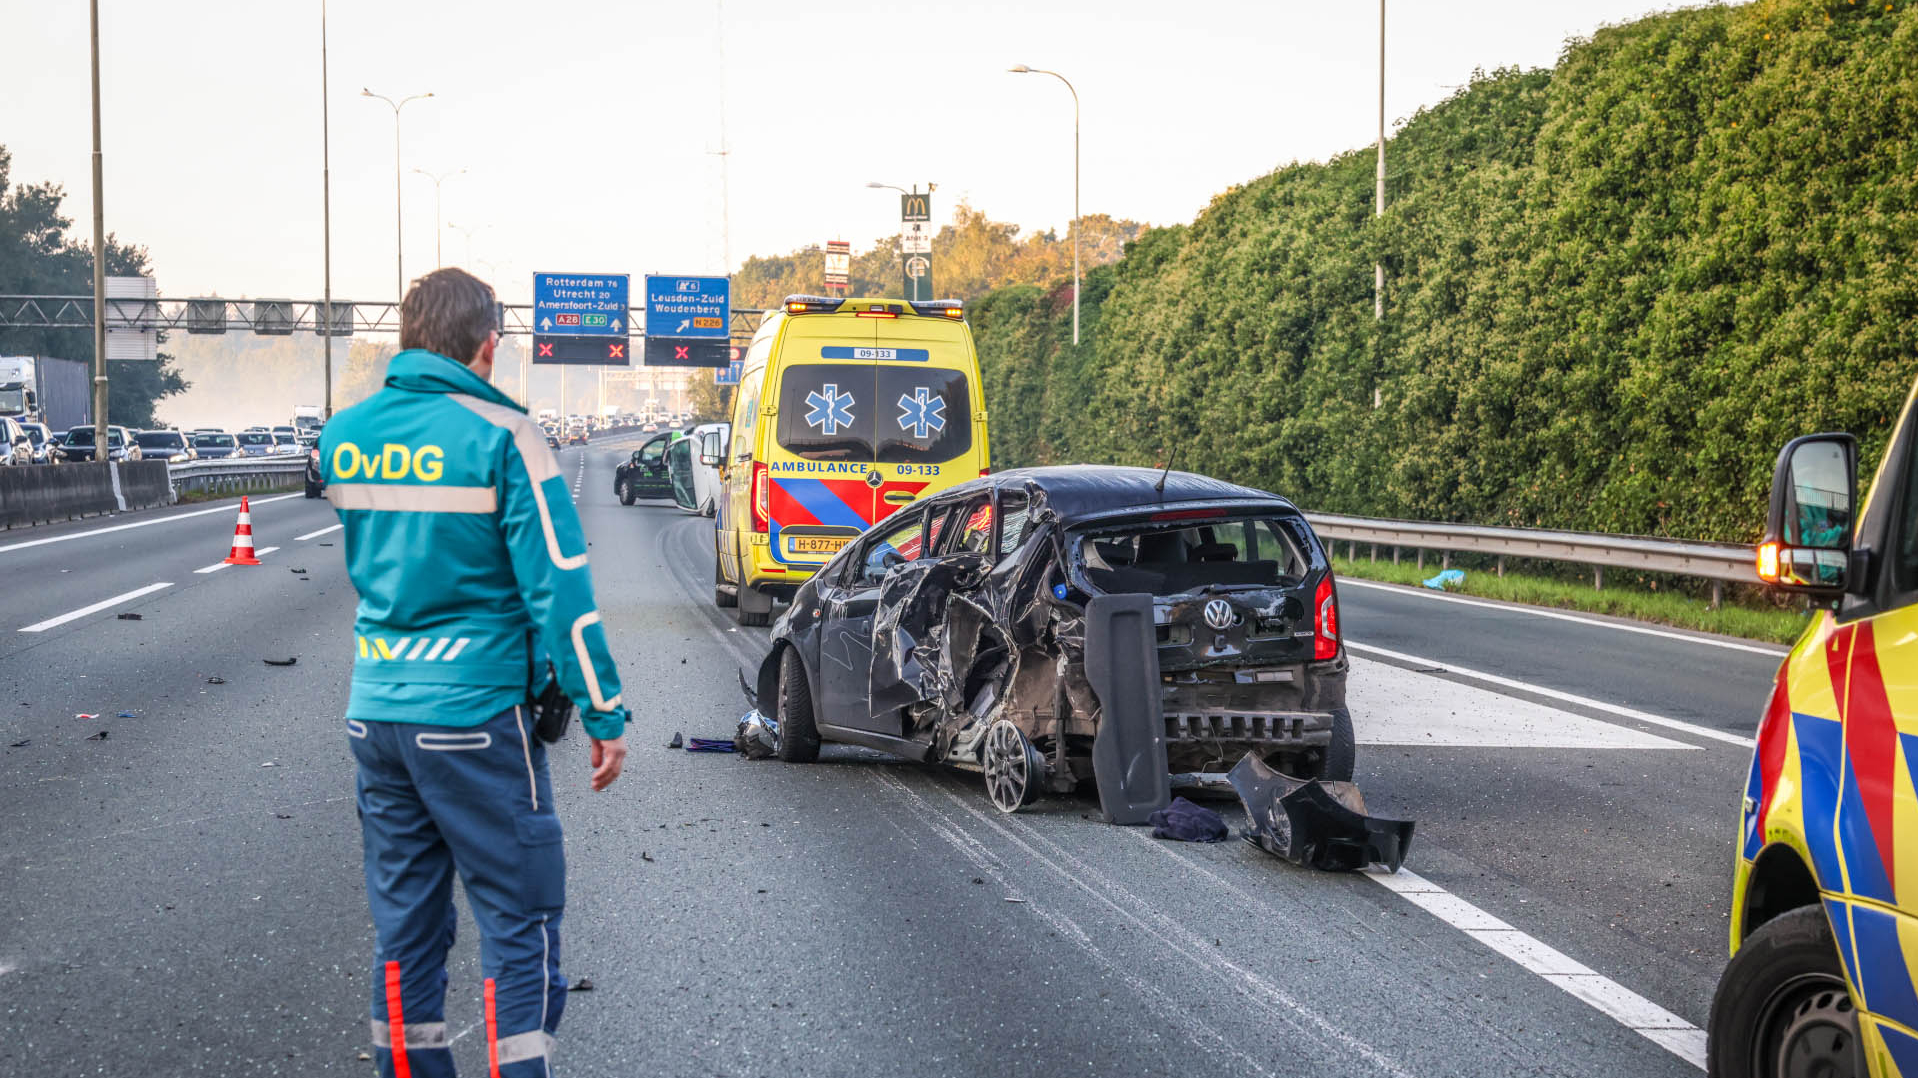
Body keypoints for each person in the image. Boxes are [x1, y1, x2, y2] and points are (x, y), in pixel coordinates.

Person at [319, 268, 630, 1077]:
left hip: (376, 713)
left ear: (408, 337)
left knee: (406, 933)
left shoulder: (344, 435)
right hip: (475, 719)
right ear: (487, 346)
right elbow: (561, 586)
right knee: (519, 922)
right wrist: (603, 712)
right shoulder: (504, 435)